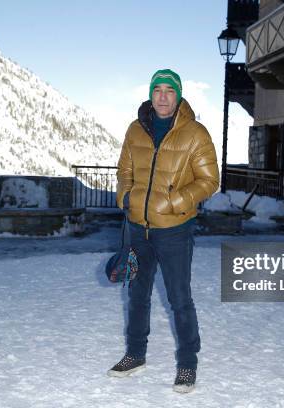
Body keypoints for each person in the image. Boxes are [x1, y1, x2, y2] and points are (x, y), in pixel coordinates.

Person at [107, 69, 219, 393]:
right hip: (136, 228)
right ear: (151, 94)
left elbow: (210, 181)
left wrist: (173, 202)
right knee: (137, 294)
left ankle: (187, 364)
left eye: (170, 90)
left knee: (179, 298)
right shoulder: (135, 130)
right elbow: (123, 172)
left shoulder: (195, 133)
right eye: (158, 90)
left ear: (179, 95)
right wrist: (125, 198)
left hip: (174, 230)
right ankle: (135, 354)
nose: (163, 96)